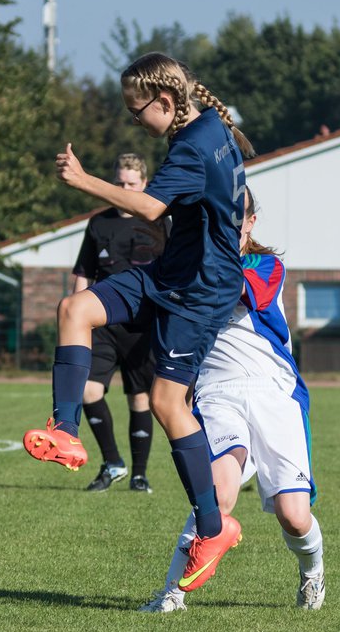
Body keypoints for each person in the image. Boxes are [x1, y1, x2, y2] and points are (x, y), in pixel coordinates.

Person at [22, 52, 255, 591]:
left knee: (169, 403)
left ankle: (215, 529)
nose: (133, 120)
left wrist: (84, 182)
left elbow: (149, 208)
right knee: (74, 309)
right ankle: (65, 433)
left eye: (136, 111)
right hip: (170, 272)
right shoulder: (205, 127)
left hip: (200, 291)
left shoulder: (195, 145)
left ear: (166, 102)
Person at [140, 188, 324, 612]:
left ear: (251, 223)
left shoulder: (266, 265)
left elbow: (237, 289)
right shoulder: (189, 267)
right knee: (218, 496)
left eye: (237, 219)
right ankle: (172, 593)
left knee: (293, 516)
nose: (229, 226)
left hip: (275, 394)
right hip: (217, 393)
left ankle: (312, 572)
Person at [71, 153, 171, 493]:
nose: (124, 188)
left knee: (141, 399)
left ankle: (139, 475)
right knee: (88, 390)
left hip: (144, 326)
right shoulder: (99, 223)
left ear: (144, 184)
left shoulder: (161, 222)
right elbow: (83, 272)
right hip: (102, 323)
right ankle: (112, 463)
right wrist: (75, 317)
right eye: (119, 183)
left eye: (131, 183)